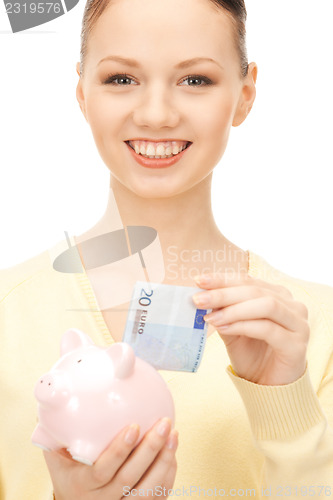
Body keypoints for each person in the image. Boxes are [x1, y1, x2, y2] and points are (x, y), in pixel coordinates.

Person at [1, 0, 333, 498]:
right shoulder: (8, 313)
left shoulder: (315, 330)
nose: (156, 114)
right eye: (121, 79)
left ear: (245, 95)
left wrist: (284, 404)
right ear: (81, 92)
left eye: (195, 80)